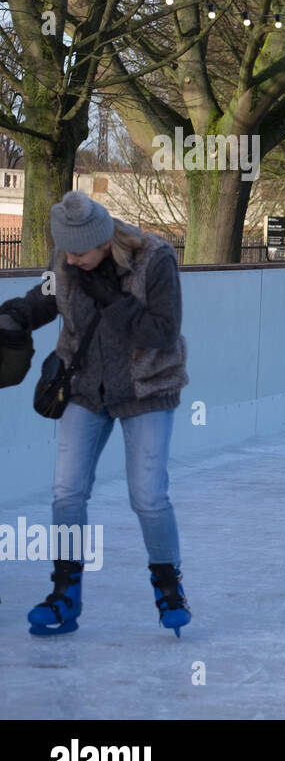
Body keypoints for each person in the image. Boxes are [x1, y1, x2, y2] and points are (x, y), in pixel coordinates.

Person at [0, 191, 191, 637]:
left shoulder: (155, 258)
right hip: (83, 388)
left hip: (146, 389)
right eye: (64, 250)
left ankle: (169, 589)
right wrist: (16, 314)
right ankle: (65, 595)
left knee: (147, 496)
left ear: (104, 240)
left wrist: (117, 303)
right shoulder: (67, 258)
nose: (70, 259)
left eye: (79, 252)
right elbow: (48, 296)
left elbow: (165, 332)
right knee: (67, 493)